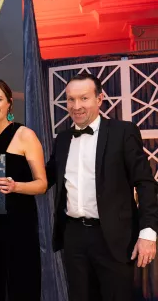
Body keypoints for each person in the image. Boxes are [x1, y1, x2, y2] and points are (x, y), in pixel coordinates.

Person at [46, 73, 158, 301]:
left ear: (99, 99)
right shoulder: (63, 139)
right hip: (74, 237)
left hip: (114, 237)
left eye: (84, 98)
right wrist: (11, 179)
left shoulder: (123, 132)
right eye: (70, 100)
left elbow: (145, 183)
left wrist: (148, 233)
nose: (76, 106)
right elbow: (45, 178)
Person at [0, 79, 47, 301]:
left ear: (9, 103)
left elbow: (42, 184)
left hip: (19, 225)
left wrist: (16, 186)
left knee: (21, 285)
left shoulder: (25, 134)